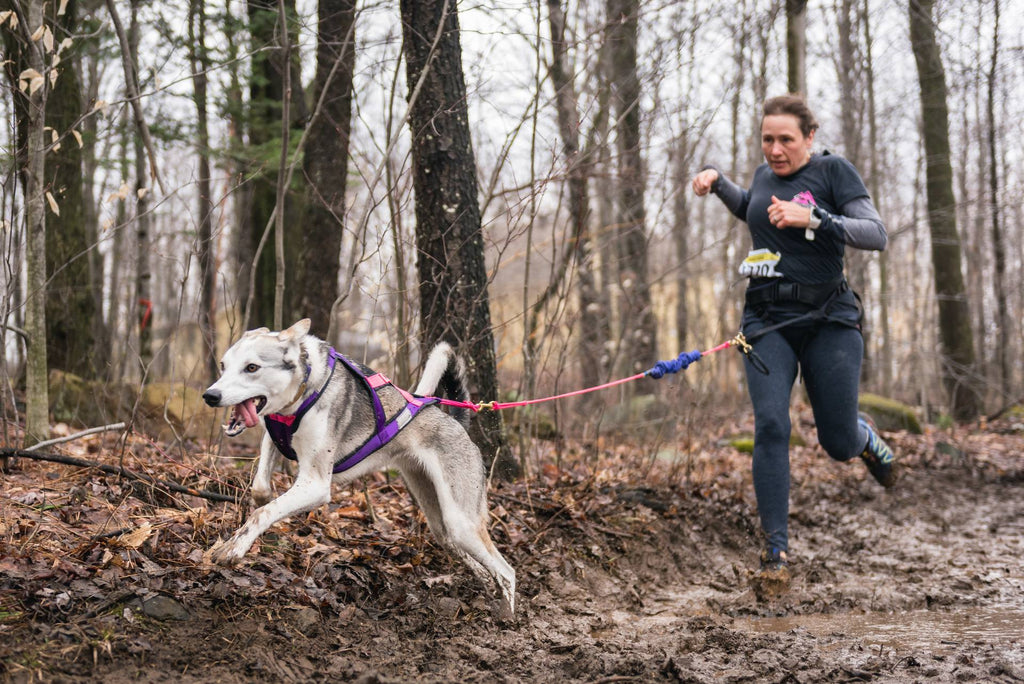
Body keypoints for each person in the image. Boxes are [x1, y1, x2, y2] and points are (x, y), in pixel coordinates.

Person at [691, 94, 896, 589]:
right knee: (771, 425)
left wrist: (818, 219)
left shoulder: (834, 173)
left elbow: (876, 233)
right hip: (766, 318)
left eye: (786, 139)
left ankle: (864, 439)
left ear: (809, 137)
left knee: (837, 442)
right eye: (768, 139)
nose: (775, 149)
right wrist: (719, 182)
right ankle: (775, 551)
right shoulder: (765, 176)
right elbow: (752, 209)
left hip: (829, 318)